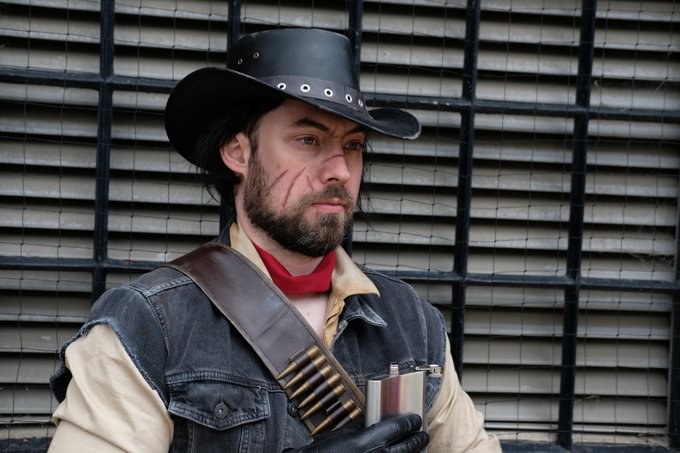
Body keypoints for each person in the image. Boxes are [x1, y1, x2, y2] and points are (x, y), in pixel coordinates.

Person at [48, 28, 501, 452]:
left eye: (354, 145)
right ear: (238, 153)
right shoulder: (149, 324)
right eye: (308, 139)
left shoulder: (411, 322)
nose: (340, 171)